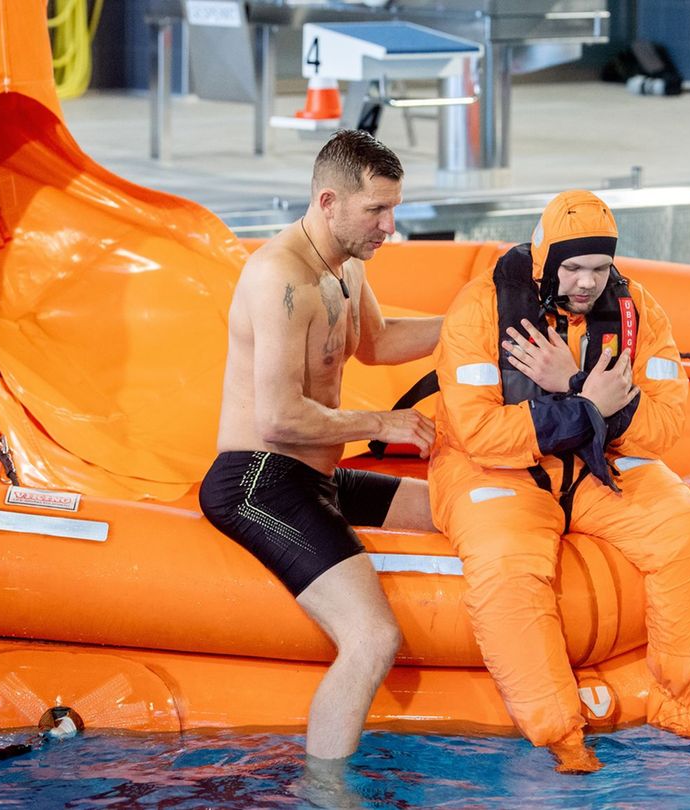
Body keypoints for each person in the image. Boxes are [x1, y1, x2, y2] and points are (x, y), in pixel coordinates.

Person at [428, 190, 690, 773]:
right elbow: (480, 434)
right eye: (572, 267)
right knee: (505, 565)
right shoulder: (481, 308)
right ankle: (560, 736)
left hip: (598, 462)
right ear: (546, 259)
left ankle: (687, 707)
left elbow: (665, 426)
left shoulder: (636, 311)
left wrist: (573, 384)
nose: (585, 282)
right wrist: (585, 405)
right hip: (498, 470)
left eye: (599, 268)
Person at [198, 130, 443, 769]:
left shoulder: (346, 264)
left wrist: (478, 320)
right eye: (377, 211)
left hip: (318, 479)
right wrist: (381, 424)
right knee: (373, 637)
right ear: (329, 201)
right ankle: (325, 791)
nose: (391, 225)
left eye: (394, 209)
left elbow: (377, 342)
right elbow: (277, 420)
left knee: (453, 506)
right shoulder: (280, 277)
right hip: (258, 480)